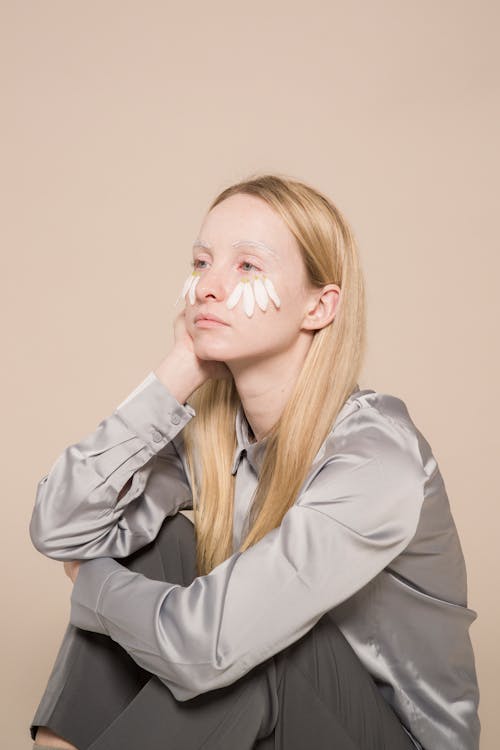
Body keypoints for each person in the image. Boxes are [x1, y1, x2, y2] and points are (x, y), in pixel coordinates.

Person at [28, 174, 480, 750]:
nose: (209, 288)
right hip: (269, 727)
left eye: (247, 266)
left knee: (249, 643)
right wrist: (177, 373)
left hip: (386, 737)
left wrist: (91, 588)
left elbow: (211, 647)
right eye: (201, 262)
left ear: (319, 306)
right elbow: (62, 528)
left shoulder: (377, 456)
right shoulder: (218, 434)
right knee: (154, 546)